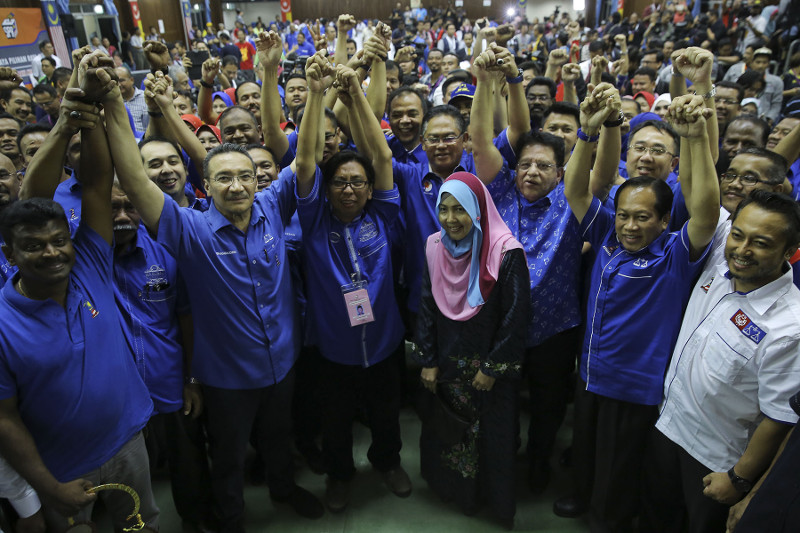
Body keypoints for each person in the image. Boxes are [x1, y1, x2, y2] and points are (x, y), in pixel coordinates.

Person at [104, 59, 324, 532]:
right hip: (227, 379)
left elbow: (304, 160)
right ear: (206, 185)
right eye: (223, 178)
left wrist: (319, 94)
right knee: (227, 455)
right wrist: (115, 106)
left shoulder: (271, 204)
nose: (237, 185)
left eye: (244, 175)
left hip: (282, 363)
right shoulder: (189, 230)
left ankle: (284, 489)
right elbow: (138, 182)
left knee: (279, 438)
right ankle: (231, 519)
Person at [0, 52, 157, 531]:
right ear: (10, 254)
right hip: (65, 470)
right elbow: (4, 420)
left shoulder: (88, 261)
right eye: (33, 247)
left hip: (130, 441)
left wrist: (91, 107)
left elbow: (95, 183)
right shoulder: (2, 323)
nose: (51, 253)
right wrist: (48, 486)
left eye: (57, 241)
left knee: (142, 525)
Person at [555, 87, 719, 528]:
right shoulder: (608, 234)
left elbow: (705, 209)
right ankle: (583, 496)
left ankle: (606, 518)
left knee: (620, 461)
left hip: (634, 383)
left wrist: (697, 138)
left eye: (643, 217)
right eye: (625, 214)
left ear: (665, 220)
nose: (630, 225)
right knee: (586, 444)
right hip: (590, 369)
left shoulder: (675, 253)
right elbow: (576, 189)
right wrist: (587, 135)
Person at [644, 190, 800, 532]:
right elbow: (698, 187)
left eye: (760, 243)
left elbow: (779, 418)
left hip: (713, 460)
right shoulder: (719, 258)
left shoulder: (790, 326)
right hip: (666, 425)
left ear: (790, 252)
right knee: (655, 519)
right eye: (738, 235)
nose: (742, 250)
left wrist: (739, 480)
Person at [296, 58, 410, 513]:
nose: (348, 189)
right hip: (333, 346)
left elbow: (381, 155)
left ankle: (388, 463)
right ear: (327, 189)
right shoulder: (312, 220)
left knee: (386, 413)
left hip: (383, 339)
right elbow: (305, 159)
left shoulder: (382, 214)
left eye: (357, 183)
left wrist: (356, 93)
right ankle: (340, 477)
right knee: (336, 419)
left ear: (370, 188)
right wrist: (315, 90)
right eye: (340, 182)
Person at [415, 171, 529, 529]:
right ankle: (454, 493)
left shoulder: (506, 253)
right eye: (444, 209)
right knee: (451, 430)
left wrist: (494, 368)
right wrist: (428, 360)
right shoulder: (434, 246)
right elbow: (427, 305)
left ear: (478, 211)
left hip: (489, 371)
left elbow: (516, 316)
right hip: (448, 363)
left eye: (460, 209)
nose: (451, 219)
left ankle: (491, 502)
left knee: (491, 435)